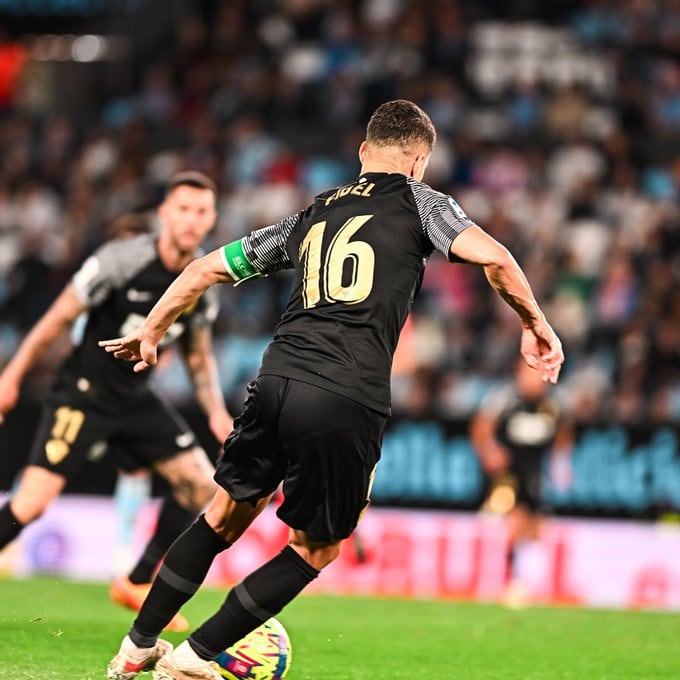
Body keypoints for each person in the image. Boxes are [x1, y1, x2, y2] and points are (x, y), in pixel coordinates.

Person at [102, 100, 564, 680]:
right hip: (345, 393)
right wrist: (536, 324)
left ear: (364, 151)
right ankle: (194, 658)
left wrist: (150, 331)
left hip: (274, 378)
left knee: (221, 515)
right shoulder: (422, 203)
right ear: (420, 160)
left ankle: (137, 646)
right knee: (314, 548)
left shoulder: (316, 211)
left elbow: (203, 270)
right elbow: (495, 258)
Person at [0, 171, 233, 633]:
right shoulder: (121, 260)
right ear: (164, 214)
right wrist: (11, 377)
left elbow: (198, 356)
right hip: (83, 394)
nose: (191, 220)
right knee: (32, 501)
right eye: (183, 209)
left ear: (212, 219)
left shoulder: (203, 279)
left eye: (201, 211)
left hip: (134, 400)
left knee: (201, 487)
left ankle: (136, 580)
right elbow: (55, 320)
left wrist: (216, 414)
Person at [470, 358, 571, 605]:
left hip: (535, 471)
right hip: (507, 472)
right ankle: (509, 580)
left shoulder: (553, 403)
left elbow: (564, 432)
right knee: (514, 519)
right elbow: (481, 426)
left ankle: (526, 582)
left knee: (536, 525)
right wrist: (489, 451)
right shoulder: (504, 397)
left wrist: (561, 462)